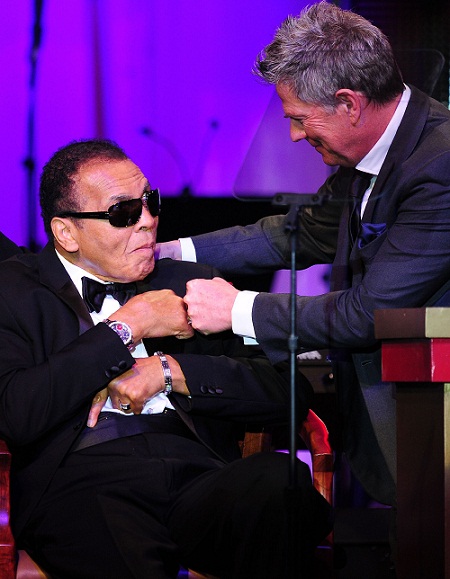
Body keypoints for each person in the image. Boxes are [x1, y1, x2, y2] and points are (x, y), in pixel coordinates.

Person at [157, 1, 450, 509]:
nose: (294, 135)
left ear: (349, 103)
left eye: (299, 118)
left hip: (433, 423)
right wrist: (170, 250)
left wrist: (236, 310)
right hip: (384, 419)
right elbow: (294, 235)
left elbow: (368, 313)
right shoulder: (377, 147)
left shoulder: (440, 165)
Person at [0, 139, 331, 579]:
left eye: (150, 203)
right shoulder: (15, 290)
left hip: (197, 472)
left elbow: (287, 393)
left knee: (277, 482)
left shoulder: (191, 283)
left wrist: (169, 371)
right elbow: (16, 411)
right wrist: (128, 325)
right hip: (82, 480)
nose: (149, 222)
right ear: (66, 232)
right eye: (124, 213)